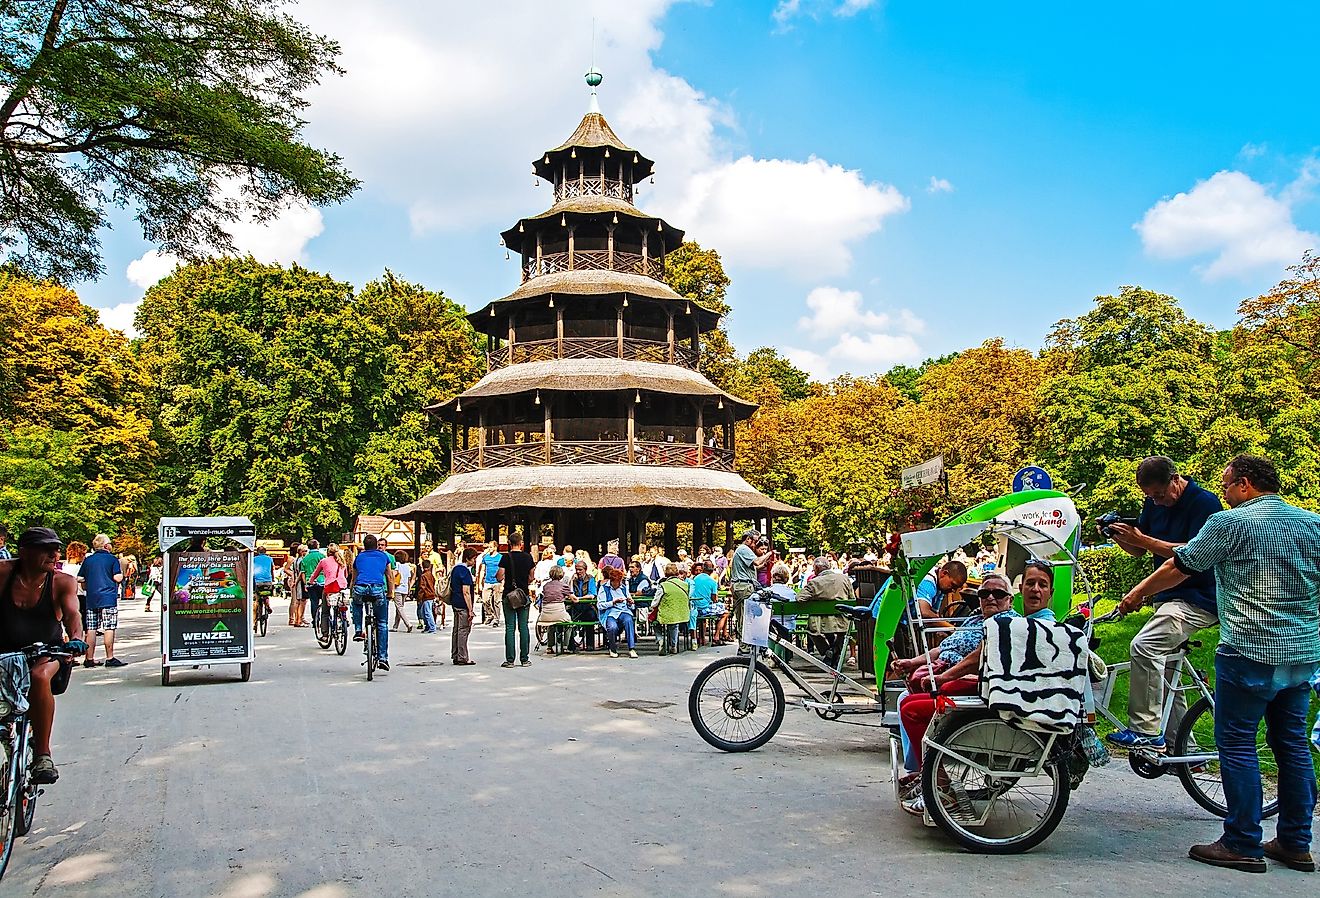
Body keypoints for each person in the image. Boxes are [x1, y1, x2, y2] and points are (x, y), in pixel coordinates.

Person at [1119, 454, 1320, 874]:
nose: (1222, 494)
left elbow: (1180, 566)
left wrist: (1138, 593)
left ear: (1245, 484)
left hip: (1249, 651)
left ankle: (1242, 842)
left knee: (1238, 744)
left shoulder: (1231, 523)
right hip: (1302, 657)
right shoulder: (1311, 524)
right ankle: (1295, 842)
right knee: (1293, 746)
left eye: (1227, 486)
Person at [1105, 456, 1225, 750]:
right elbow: (1139, 549)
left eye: (1159, 494)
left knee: (1144, 647)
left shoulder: (1205, 503)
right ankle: (1185, 749)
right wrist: (1119, 535)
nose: (1156, 502)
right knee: (1167, 671)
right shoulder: (1154, 503)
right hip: (1169, 597)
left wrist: (1143, 541)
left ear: (1175, 479)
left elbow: (1191, 553)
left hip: (1198, 597)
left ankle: (1145, 730)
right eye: (1149, 497)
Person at [0, 528, 87, 783]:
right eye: (45, 549)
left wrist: (77, 640)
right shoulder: (4, 573)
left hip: (48, 650)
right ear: (24, 552)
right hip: (5, 650)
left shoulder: (61, 581)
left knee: (39, 676)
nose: (54, 554)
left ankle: (42, 755)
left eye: (56, 548)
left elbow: (73, 614)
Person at [798, 555, 855, 668]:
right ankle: (835, 650)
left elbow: (800, 598)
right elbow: (852, 599)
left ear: (818, 569)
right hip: (843, 619)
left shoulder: (815, 582)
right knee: (842, 633)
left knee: (811, 629)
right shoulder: (844, 579)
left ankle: (828, 651)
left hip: (821, 622)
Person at [80, 534, 125, 667]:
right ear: (106, 546)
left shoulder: (88, 560)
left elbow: (80, 578)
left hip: (92, 598)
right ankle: (110, 657)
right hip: (108, 597)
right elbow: (117, 578)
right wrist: (121, 574)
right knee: (109, 627)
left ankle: (89, 658)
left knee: (91, 628)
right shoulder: (112, 559)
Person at [349, 534, 392, 672]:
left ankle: (358, 630)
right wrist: (390, 593)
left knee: (356, 604)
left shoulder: (359, 557)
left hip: (360, 588)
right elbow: (389, 576)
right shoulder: (384, 556)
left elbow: (354, 578)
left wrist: (351, 592)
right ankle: (383, 658)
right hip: (377, 589)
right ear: (376, 545)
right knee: (382, 623)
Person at [497, 532, 535, 668]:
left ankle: (510, 660)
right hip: (523, 594)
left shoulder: (506, 557)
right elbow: (531, 577)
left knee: (510, 627)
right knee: (523, 626)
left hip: (509, 594)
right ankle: (525, 659)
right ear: (521, 543)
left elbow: (499, 576)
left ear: (509, 543)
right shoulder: (528, 557)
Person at [597, 565, 637, 658]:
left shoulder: (623, 588)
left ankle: (631, 648)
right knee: (612, 627)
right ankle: (612, 648)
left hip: (624, 611)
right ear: (611, 581)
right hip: (610, 612)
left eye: (619, 582)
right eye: (616, 582)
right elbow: (600, 605)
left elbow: (632, 606)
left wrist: (630, 603)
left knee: (629, 620)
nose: (618, 584)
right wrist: (612, 602)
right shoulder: (604, 588)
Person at [654, 563, 690, 656]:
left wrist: (651, 607)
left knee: (655, 622)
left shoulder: (663, 585)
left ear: (665, 573)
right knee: (674, 625)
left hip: (666, 613)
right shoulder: (685, 584)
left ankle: (660, 639)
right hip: (682, 613)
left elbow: (655, 602)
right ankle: (673, 645)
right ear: (677, 573)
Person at [449, 546, 477, 665]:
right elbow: (466, 592)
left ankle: (455, 654)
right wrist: (470, 609)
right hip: (463, 603)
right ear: (468, 558)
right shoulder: (465, 572)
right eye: (473, 559)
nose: (474, 561)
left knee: (456, 629)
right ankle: (462, 656)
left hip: (455, 601)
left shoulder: (455, 569)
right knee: (464, 630)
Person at [536, 564, 572, 653]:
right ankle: (565, 646)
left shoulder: (546, 586)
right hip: (559, 612)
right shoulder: (563, 586)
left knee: (550, 625)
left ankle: (549, 647)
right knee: (570, 623)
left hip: (545, 614)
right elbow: (574, 598)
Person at [688, 560, 726, 644]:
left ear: (703, 568)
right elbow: (714, 599)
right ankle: (717, 636)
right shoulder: (713, 582)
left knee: (703, 618)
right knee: (725, 613)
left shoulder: (694, 578)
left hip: (693, 607)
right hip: (704, 608)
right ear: (712, 571)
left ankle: (702, 638)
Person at [299, 539, 326, 630]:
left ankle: (315, 620)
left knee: (314, 602)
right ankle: (324, 620)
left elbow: (303, 572)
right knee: (324, 602)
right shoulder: (322, 556)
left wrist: (305, 584)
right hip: (322, 581)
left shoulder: (305, 558)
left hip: (310, 582)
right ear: (317, 546)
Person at [477, 541, 503, 627]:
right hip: (487, 581)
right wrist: (480, 582)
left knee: (497, 601)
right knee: (485, 600)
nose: (489, 549)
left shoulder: (500, 557)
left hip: (497, 581)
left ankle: (496, 619)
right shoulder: (486, 557)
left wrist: (503, 582)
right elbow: (482, 570)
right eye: (489, 547)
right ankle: (489, 615)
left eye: (491, 547)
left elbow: (503, 570)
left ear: (495, 547)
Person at [390, 550, 414, 633]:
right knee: (399, 608)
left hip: (398, 588)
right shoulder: (408, 567)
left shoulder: (397, 565)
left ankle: (408, 623)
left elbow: (394, 575)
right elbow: (408, 579)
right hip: (405, 589)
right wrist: (409, 589)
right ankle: (395, 626)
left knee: (399, 607)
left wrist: (391, 588)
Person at [252, 546, 275, 625]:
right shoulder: (270, 559)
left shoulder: (254, 559)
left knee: (256, 597)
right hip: (268, 580)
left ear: (258, 552)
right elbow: (272, 570)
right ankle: (267, 605)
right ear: (265, 552)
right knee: (266, 594)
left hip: (257, 581)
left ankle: (254, 620)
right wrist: (273, 579)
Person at [416, 559, 438, 633]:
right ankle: (428, 626)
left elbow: (422, 587)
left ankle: (432, 627)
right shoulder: (430, 574)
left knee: (427, 612)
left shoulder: (423, 575)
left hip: (426, 595)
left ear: (422, 566)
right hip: (431, 594)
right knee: (424, 611)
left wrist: (419, 597)